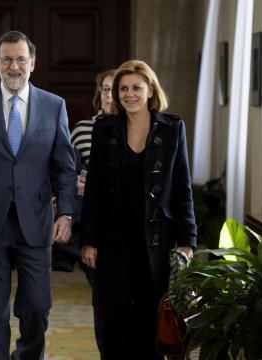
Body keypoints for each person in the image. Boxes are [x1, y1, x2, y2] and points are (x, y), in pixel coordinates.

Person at [0, 30, 76, 360]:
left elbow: (64, 166)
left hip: (36, 223)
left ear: (32, 63)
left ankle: (27, 355)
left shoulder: (54, 106)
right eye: (7, 59)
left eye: (21, 59)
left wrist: (66, 213)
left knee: (37, 307)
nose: (14, 66)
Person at [80, 59, 197, 359]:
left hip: (156, 242)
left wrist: (187, 241)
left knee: (151, 323)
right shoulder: (105, 130)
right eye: (123, 88)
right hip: (111, 241)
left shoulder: (173, 128)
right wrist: (89, 240)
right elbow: (93, 189)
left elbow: (182, 188)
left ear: (150, 90)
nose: (128, 94)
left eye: (136, 87)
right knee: (113, 323)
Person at [52, 69, 115, 359]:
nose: (109, 95)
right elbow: (67, 170)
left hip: (127, 223)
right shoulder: (83, 129)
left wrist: (99, 183)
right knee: (103, 298)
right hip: (92, 224)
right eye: (104, 89)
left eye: (115, 89)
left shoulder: (142, 127)